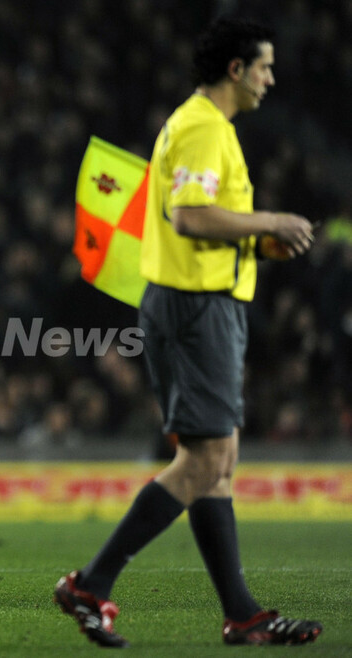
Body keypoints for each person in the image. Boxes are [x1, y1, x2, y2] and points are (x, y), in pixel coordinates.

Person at [54, 18, 323, 647]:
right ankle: (92, 584)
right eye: (265, 66)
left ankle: (243, 615)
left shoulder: (204, 126)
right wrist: (273, 220)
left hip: (204, 304)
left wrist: (254, 243)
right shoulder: (203, 127)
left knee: (217, 464)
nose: (271, 79)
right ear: (236, 69)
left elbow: (201, 223)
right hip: (195, 310)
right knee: (205, 459)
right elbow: (191, 215)